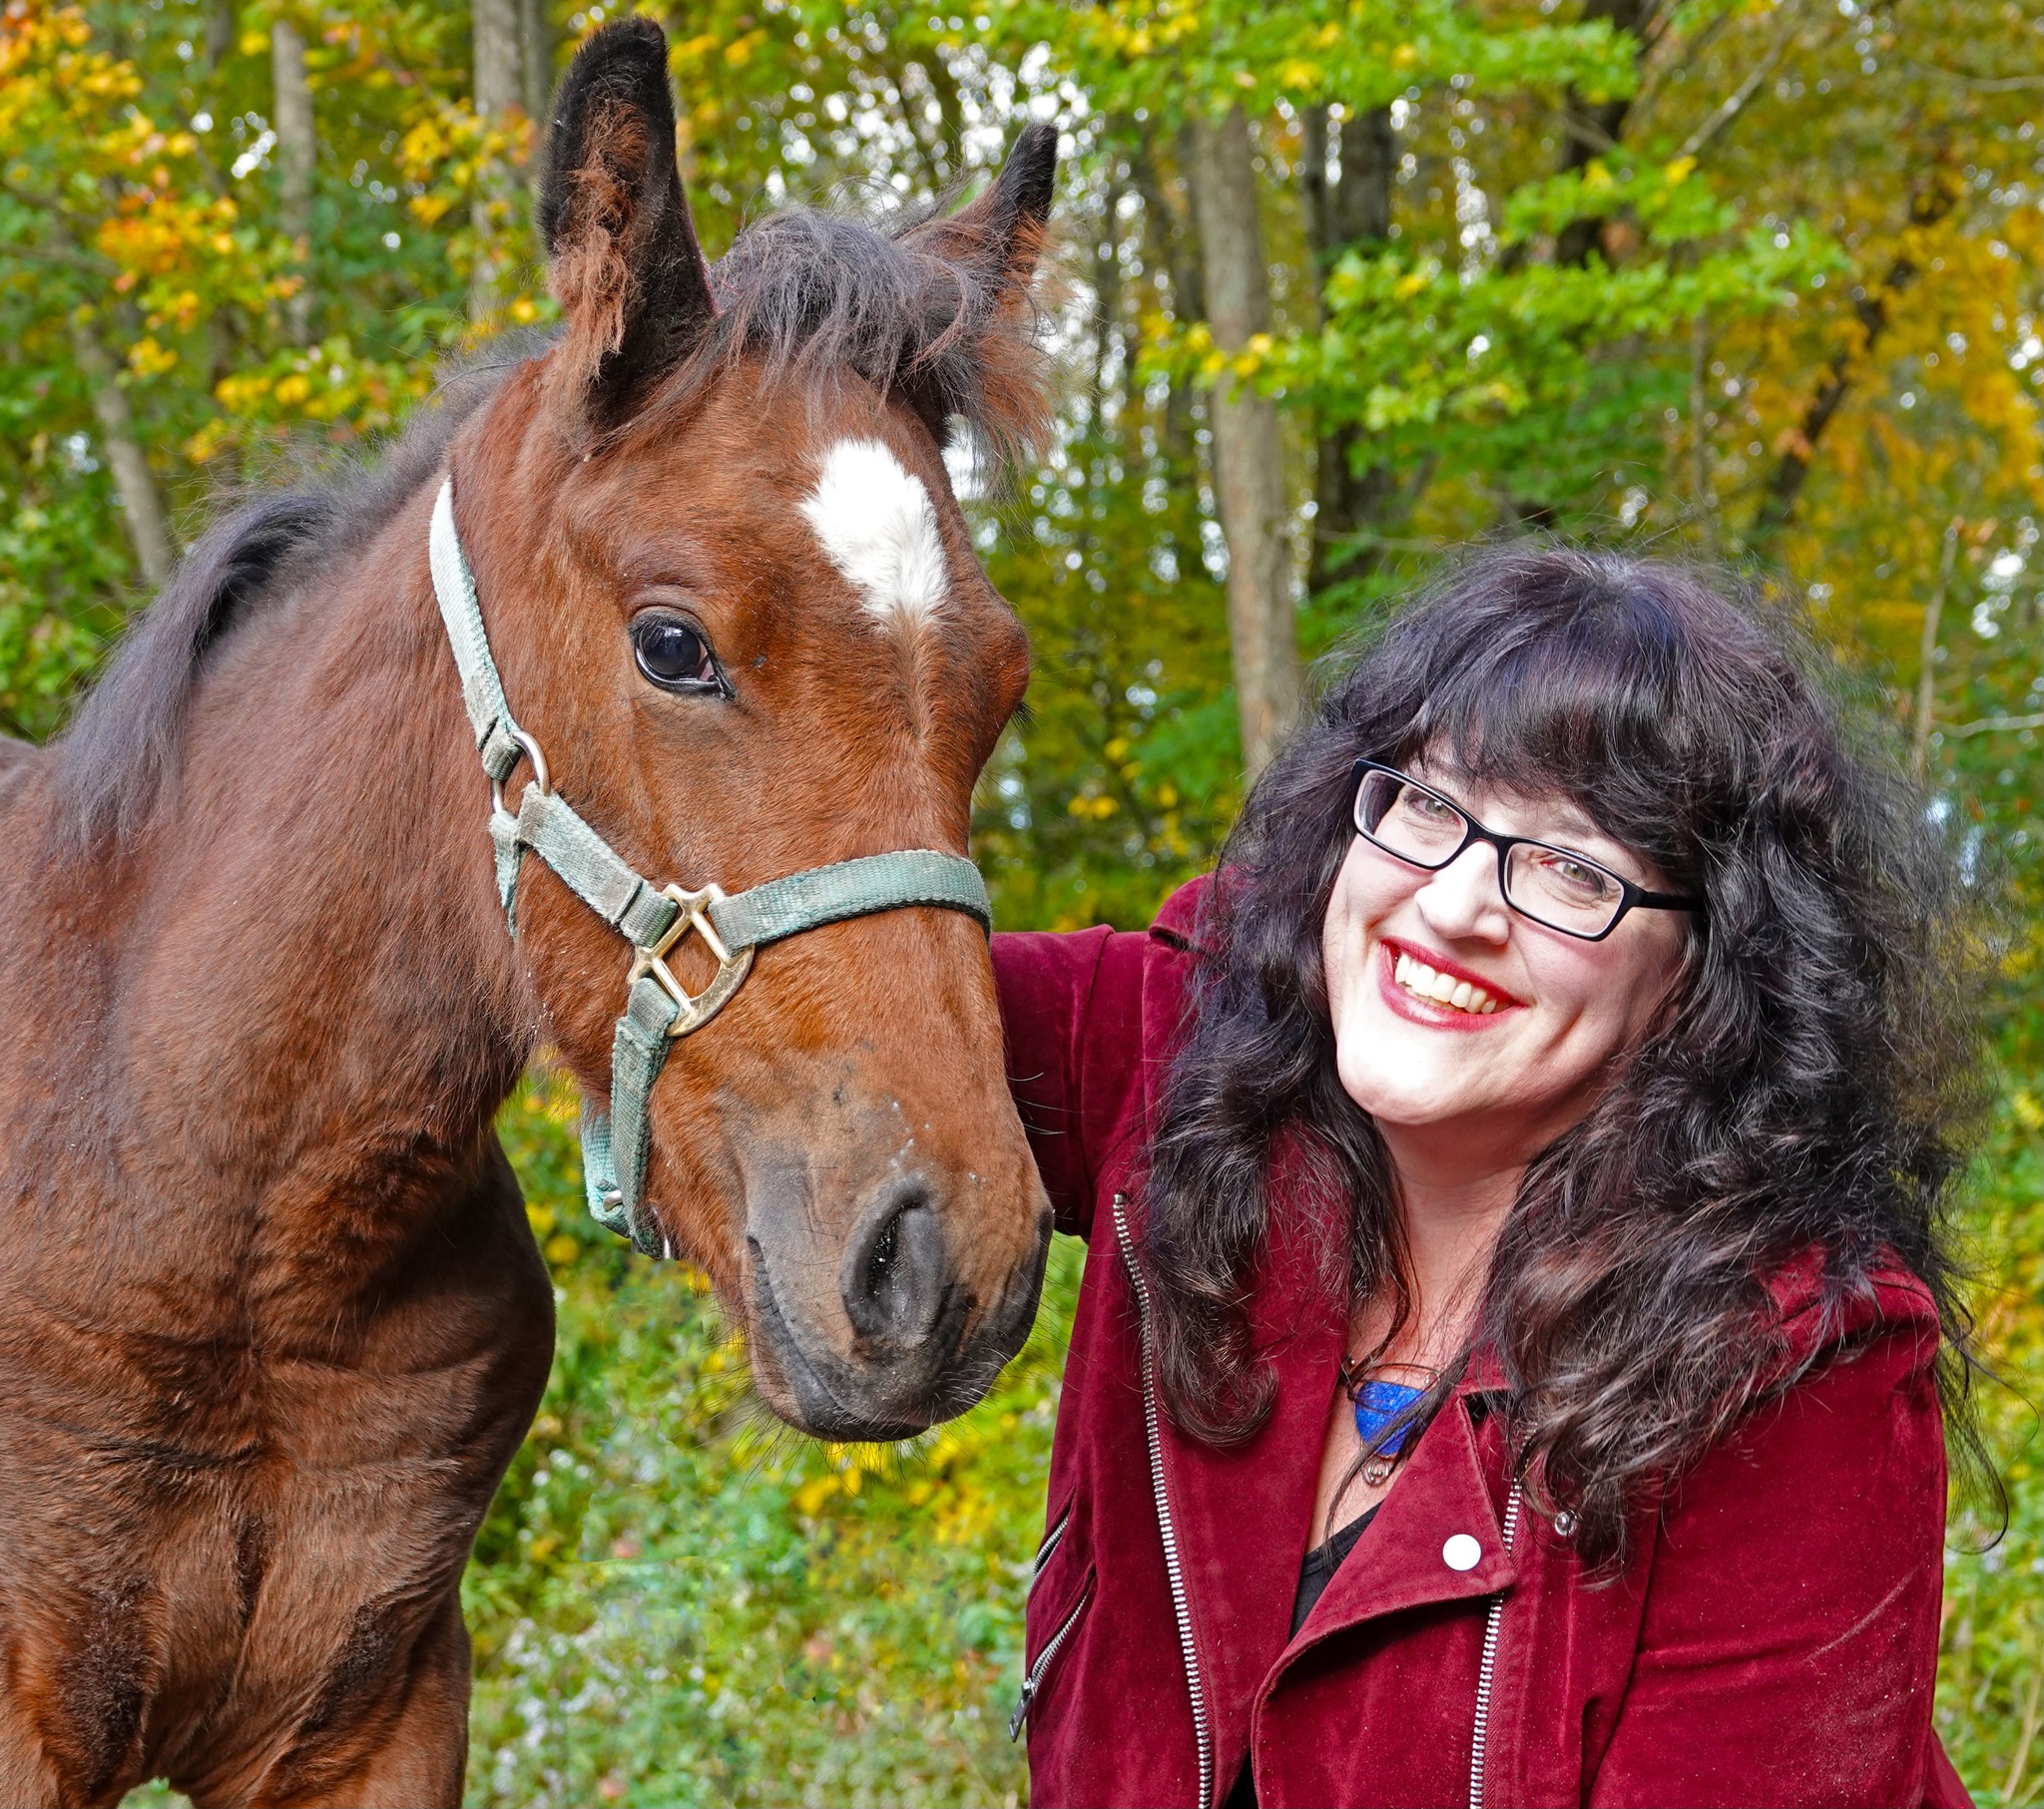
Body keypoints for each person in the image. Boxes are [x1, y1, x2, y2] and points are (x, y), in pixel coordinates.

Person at [992, 546, 1982, 1808]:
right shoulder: (1186, 1039)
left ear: (1705, 976)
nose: (1453, 904)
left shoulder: (1795, 1359)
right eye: (1425, 804)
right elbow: (788, 975)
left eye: (1571, 867)